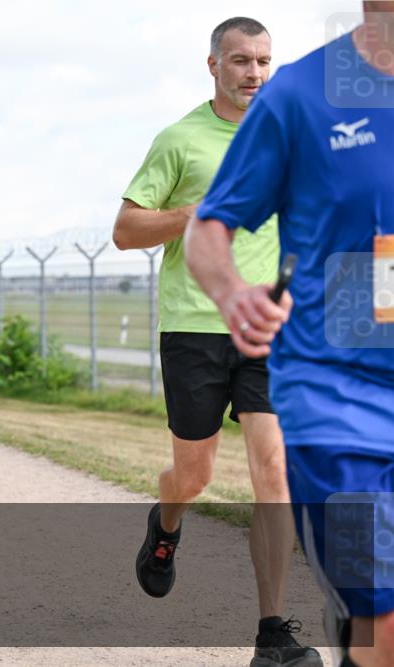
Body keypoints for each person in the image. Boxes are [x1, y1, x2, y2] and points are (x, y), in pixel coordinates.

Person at [185, 5, 393, 666]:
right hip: (339, 395)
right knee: (386, 624)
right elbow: (209, 227)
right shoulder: (300, 96)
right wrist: (231, 292)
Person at [113, 18, 320, 666]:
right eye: (239, 60)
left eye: (262, 60)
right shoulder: (180, 140)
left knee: (273, 470)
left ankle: (273, 632)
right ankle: (166, 523)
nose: (253, 72)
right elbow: (124, 229)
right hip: (194, 326)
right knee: (194, 474)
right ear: (213, 66)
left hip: (267, 327)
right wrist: (195, 211)